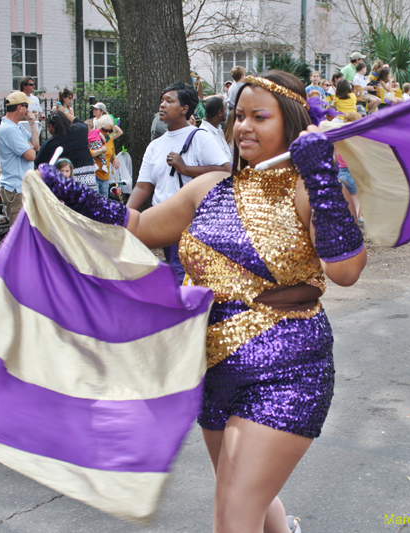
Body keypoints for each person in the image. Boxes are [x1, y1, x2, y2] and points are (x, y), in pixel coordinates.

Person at [42, 69, 367, 533]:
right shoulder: (213, 186)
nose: (243, 127)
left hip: (288, 368)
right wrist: (71, 195)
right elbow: (138, 228)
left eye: (259, 116)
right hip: (210, 365)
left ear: (292, 122)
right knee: (245, 495)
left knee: (233, 514)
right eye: (238, 116)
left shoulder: (310, 187)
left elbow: (346, 270)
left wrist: (318, 173)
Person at [127, 82, 231, 284]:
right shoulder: (155, 146)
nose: (162, 105)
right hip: (161, 220)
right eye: (162, 101)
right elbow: (143, 186)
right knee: (175, 270)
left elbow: (225, 171)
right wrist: (124, 217)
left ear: (185, 109)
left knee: (181, 272)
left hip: (189, 220)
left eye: (169, 101)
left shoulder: (200, 138)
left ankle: (188, 312)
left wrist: (186, 169)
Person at [0, 91, 39, 224]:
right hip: (15, 188)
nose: (28, 110)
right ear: (19, 107)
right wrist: (28, 146)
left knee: (28, 230)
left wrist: (32, 124)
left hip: (21, 187)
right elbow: (31, 155)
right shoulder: (9, 129)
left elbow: (36, 146)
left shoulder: (17, 126)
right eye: (26, 106)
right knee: (20, 232)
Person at [35, 110, 95, 188]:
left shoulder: (50, 144)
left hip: (67, 178)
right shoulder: (81, 130)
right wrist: (64, 111)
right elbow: (80, 122)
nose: (48, 129)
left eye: (49, 126)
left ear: (54, 127)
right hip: (88, 176)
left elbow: (38, 163)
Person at [88, 115, 123, 197]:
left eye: (110, 131)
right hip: (94, 175)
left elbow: (112, 151)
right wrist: (100, 150)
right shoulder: (92, 138)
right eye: (104, 130)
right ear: (98, 127)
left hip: (105, 177)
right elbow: (88, 153)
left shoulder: (109, 139)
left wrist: (114, 158)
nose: (107, 133)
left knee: (104, 204)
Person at [199, 96, 232, 163]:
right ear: (219, 112)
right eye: (225, 109)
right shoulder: (205, 133)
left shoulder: (218, 128)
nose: (226, 112)